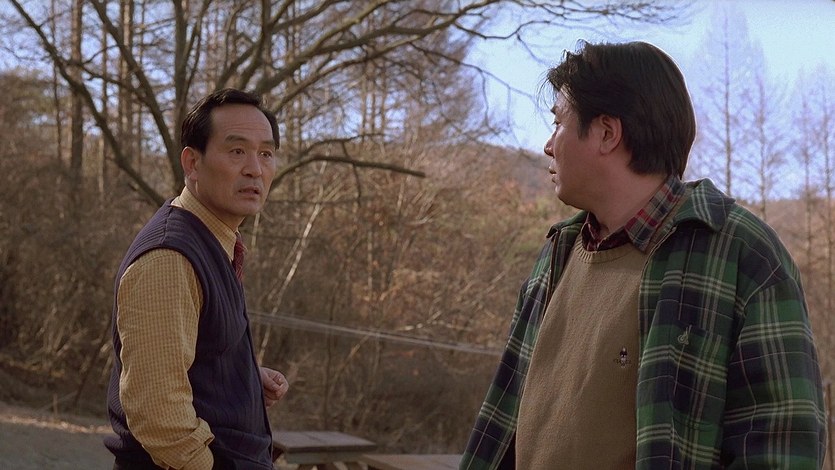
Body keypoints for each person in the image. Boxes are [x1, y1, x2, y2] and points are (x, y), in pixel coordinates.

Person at [461, 41, 827, 469]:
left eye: (558, 122)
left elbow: (785, 449)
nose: (547, 144)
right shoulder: (556, 254)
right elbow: (501, 428)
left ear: (607, 133)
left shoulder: (742, 254)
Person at [105, 88, 289, 469]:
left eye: (266, 154)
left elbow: (185, 354)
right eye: (236, 151)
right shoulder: (170, 257)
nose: (255, 169)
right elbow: (159, 416)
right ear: (192, 163)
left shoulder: (214, 240)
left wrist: (242, 377)